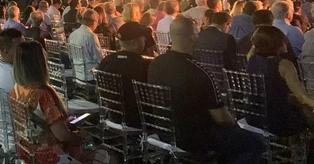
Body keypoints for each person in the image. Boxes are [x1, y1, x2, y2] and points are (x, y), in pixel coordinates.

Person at [148, 16, 264, 162]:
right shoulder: (199, 72)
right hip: (195, 137)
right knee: (255, 143)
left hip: (164, 130)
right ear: (192, 37)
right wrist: (235, 124)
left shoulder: (155, 64)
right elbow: (221, 118)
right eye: (197, 32)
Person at [10, 41, 98, 163]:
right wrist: (82, 138)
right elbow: (62, 135)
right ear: (39, 64)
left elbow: (42, 122)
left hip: (26, 151)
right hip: (49, 154)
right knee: (105, 155)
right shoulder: (44, 93)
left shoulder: (15, 89)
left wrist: (64, 122)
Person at [246, 26, 314, 137]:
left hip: (254, 116)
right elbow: (303, 97)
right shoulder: (284, 65)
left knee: (293, 99)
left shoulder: (251, 59)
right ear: (276, 43)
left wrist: (258, 41)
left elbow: (253, 48)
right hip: (278, 121)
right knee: (305, 108)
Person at [98, 22, 151, 128]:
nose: (145, 40)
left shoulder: (107, 61)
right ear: (134, 42)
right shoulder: (144, 65)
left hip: (113, 115)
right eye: (142, 37)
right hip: (139, 119)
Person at [68, 9, 103, 81]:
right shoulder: (91, 36)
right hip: (90, 76)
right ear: (93, 22)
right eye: (97, 22)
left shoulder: (73, 34)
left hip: (77, 75)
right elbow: (98, 58)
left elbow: (70, 55)